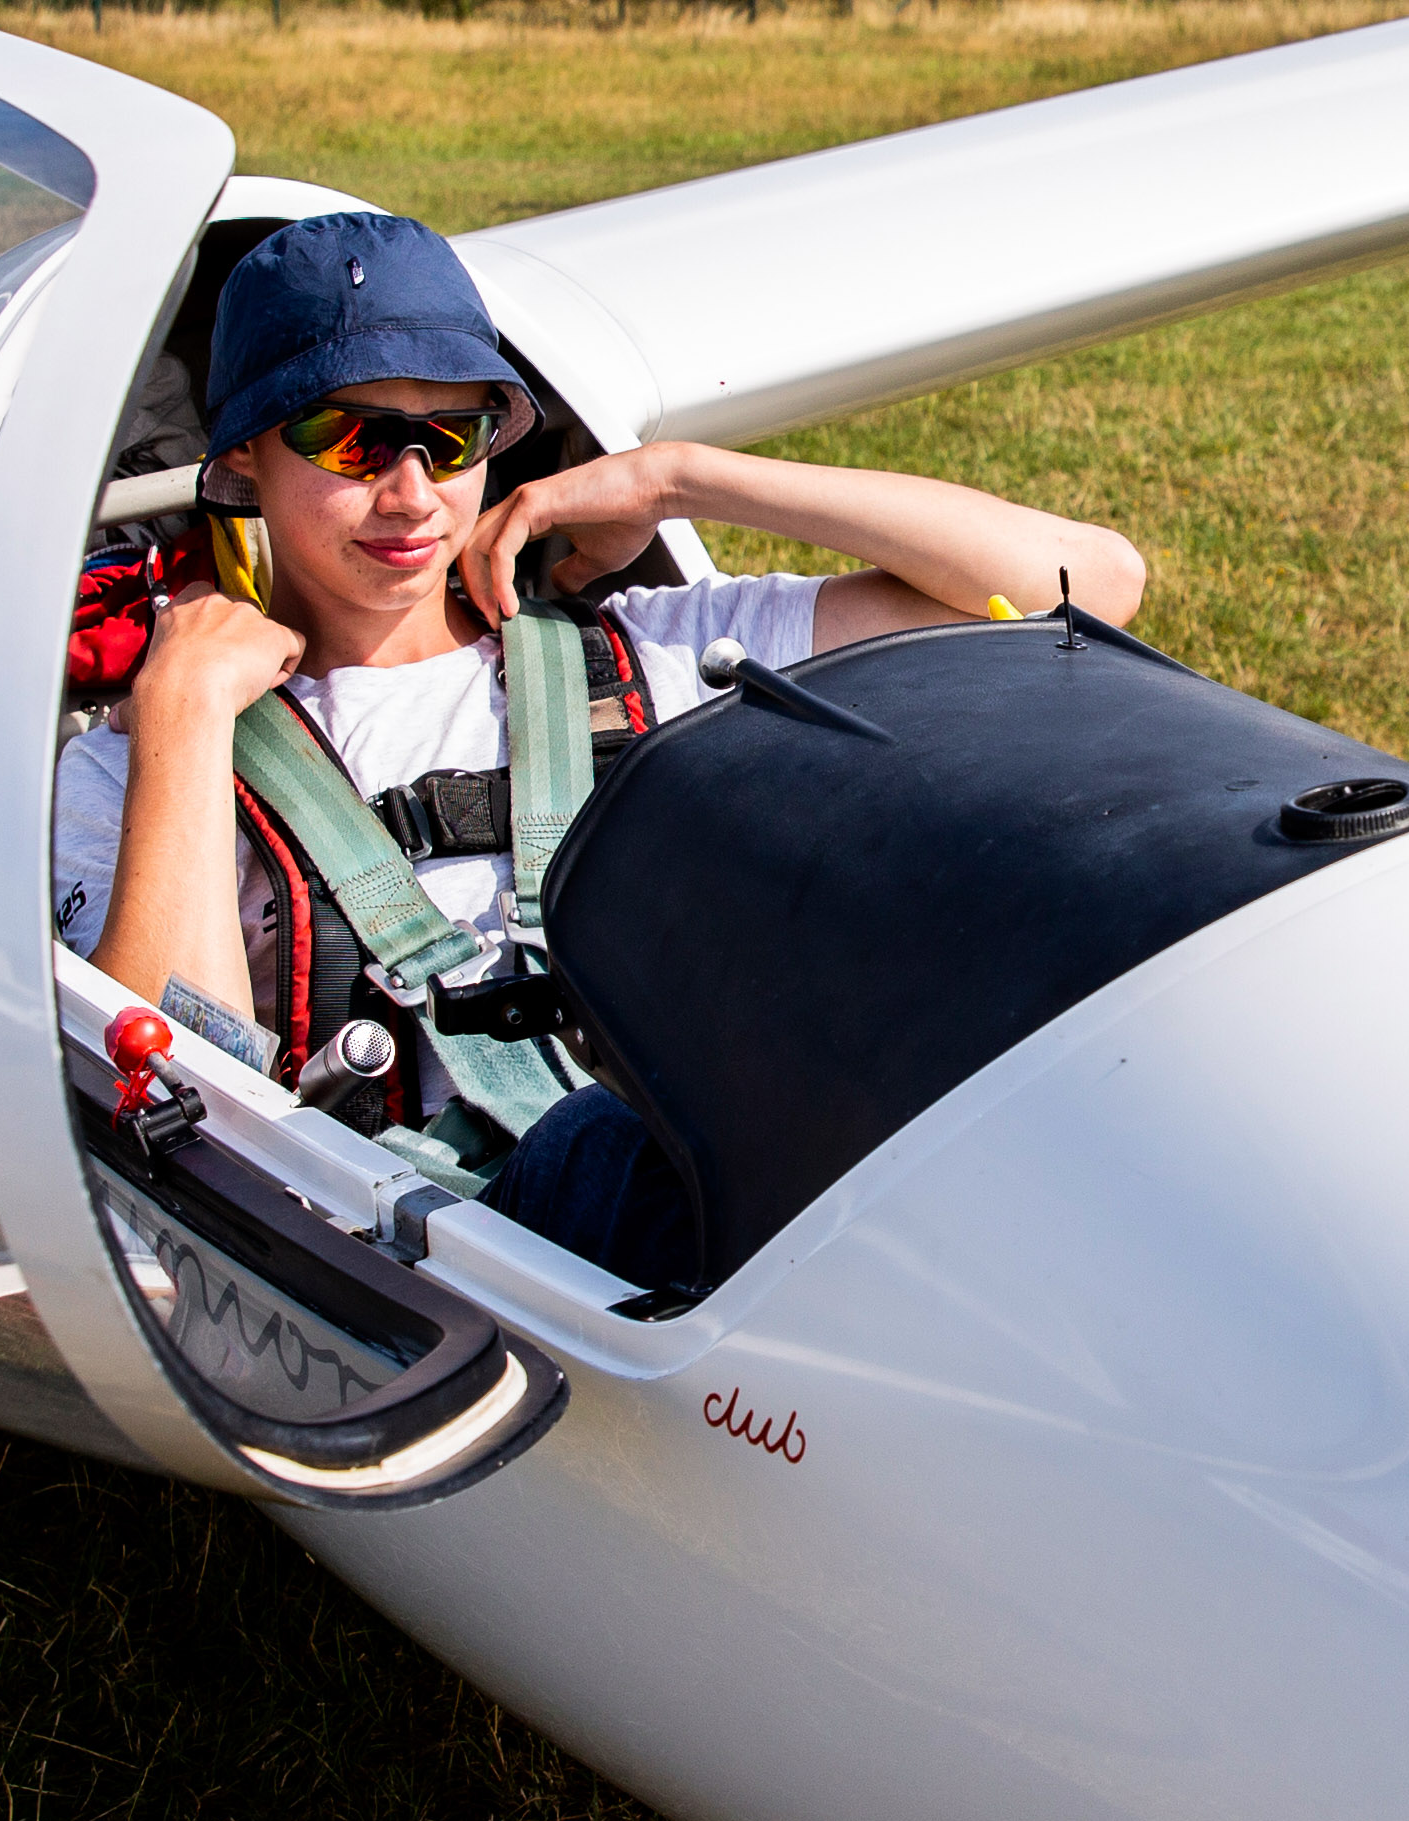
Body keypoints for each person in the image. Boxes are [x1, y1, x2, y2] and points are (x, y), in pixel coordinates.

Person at [56, 211, 1143, 1281]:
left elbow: (1086, 587)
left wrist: (674, 477)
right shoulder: (148, 756)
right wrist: (185, 710)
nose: (410, 495)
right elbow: (153, 1116)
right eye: (350, 441)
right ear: (243, 457)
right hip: (439, 1277)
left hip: (721, 1187)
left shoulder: (650, 650)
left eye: (452, 439)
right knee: (618, 1150)